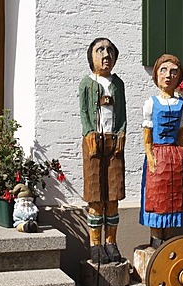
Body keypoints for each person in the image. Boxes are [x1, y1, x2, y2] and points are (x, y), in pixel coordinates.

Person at [79, 37, 126, 264]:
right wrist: (89, 133)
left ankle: (111, 242)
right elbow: (84, 113)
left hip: (114, 142)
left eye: (110, 50)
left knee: (114, 195)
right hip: (93, 144)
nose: (106, 55)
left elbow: (123, 113)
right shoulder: (87, 83)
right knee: (96, 196)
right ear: (92, 56)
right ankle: (95, 244)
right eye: (100, 50)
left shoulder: (118, 84)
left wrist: (122, 133)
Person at [140, 54, 183, 249]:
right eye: (164, 70)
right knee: (156, 197)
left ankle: (168, 239)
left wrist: (180, 153)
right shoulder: (151, 103)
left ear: (179, 77)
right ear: (156, 75)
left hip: (174, 155)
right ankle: (155, 239)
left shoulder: (181, 105)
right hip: (157, 153)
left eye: (173, 72)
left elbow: (182, 133)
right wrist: (150, 157)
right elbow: (147, 134)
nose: (168, 76)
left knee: (173, 197)